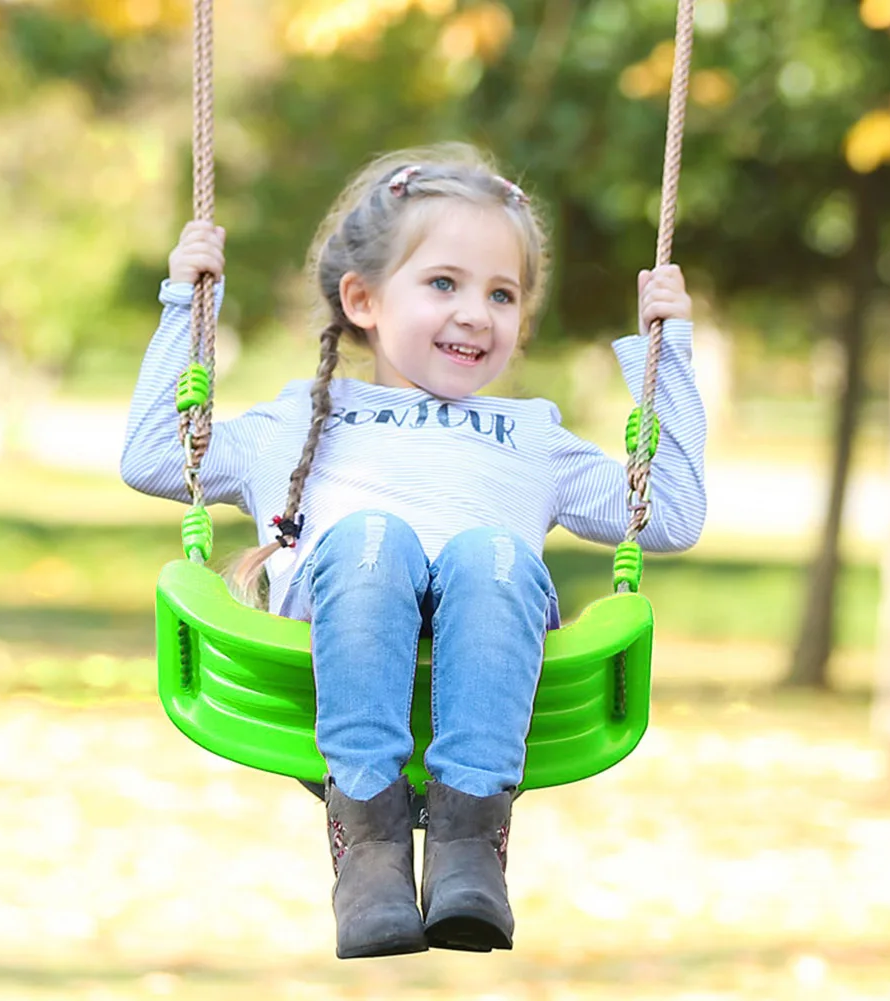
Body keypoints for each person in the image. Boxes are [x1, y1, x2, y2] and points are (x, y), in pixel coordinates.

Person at [121, 142, 706, 959]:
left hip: (489, 647)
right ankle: (367, 849)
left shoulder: (530, 434)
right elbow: (155, 455)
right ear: (361, 297)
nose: (476, 312)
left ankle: (471, 849)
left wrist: (667, 356)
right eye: (443, 283)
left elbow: (669, 512)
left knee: (490, 552)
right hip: (330, 647)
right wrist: (186, 305)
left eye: (502, 293)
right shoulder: (295, 418)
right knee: (371, 538)